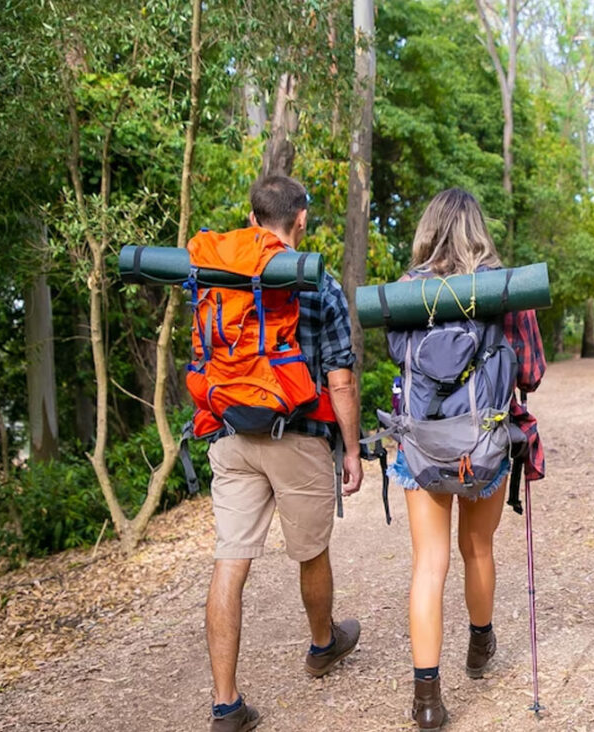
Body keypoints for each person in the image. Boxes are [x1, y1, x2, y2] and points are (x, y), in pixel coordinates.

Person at [204, 175, 364, 731]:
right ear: (300, 220)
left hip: (230, 436)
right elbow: (339, 378)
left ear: (252, 220)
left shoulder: (218, 276)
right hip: (297, 436)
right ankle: (323, 645)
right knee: (310, 549)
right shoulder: (317, 282)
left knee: (231, 560)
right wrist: (351, 449)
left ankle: (226, 703)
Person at [388, 188, 546, 730]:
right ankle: (480, 645)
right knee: (477, 547)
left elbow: (395, 357)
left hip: (421, 447)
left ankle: (426, 700)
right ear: (480, 229)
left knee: (428, 564)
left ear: (428, 229)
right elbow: (531, 374)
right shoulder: (505, 289)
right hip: (483, 445)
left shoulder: (406, 291)